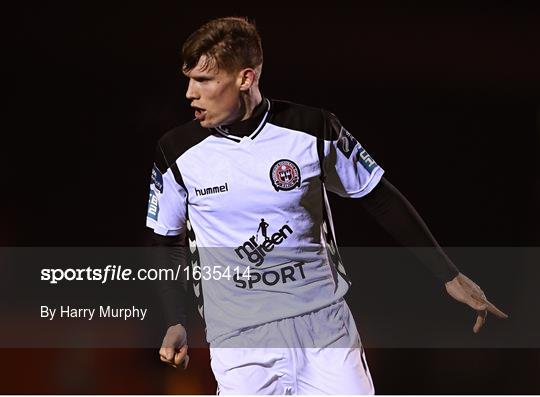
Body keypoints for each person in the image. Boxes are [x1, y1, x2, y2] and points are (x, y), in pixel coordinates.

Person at [147, 17, 508, 394]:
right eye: (189, 79)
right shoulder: (176, 152)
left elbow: (379, 197)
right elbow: (166, 242)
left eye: (204, 80)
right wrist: (175, 319)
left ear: (245, 78)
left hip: (323, 325)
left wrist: (448, 274)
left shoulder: (313, 129)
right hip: (240, 338)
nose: (190, 92)